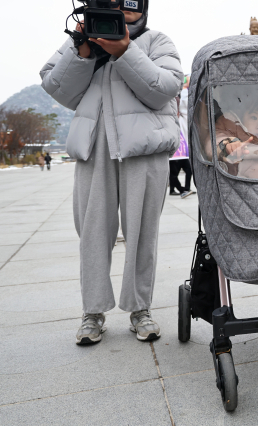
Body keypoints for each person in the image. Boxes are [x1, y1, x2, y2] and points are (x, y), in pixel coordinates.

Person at [40, 0, 183, 345]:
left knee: (142, 233)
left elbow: (164, 89)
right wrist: (82, 52)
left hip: (144, 150)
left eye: (130, 3)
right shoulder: (83, 41)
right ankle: (93, 312)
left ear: (144, 7)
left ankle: (140, 309)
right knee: (92, 233)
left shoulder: (157, 42)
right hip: (94, 147)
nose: (120, 9)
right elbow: (55, 87)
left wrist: (125, 51)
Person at [170, 75, 194, 198]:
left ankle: (184, 189)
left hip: (181, 150)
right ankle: (182, 190)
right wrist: (185, 87)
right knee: (174, 173)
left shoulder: (181, 118)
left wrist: (185, 87)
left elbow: (185, 105)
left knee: (183, 171)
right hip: (175, 151)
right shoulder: (174, 118)